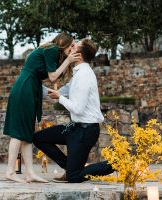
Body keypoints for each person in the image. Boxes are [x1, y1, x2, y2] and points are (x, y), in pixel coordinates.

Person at [33, 38, 114, 183]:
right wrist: (32, 81)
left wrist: (59, 97)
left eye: (76, 45)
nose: (72, 46)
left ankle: (115, 163)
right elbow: (57, 94)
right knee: (39, 138)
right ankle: (68, 166)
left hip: (86, 131)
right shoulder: (78, 73)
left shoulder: (84, 76)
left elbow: (78, 108)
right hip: (74, 128)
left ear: (79, 55)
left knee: (74, 177)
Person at [4, 33, 81, 183]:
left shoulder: (53, 52)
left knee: (27, 134)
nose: (73, 49)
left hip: (30, 87)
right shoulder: (52, 49)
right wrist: (69, 61)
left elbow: (55, 76)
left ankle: (30, 173)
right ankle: (10, 171)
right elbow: (52, 77)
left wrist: (67, 61)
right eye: (72, 45)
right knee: (19, 132)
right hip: (25, 87)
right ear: (63, 42)